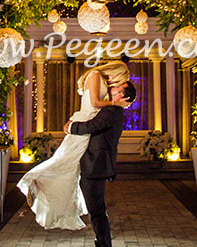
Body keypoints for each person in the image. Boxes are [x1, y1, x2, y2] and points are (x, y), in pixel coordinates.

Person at [17, 61, 131, 230]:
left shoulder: (102, 82)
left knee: (69, 165)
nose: (117, 83)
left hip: (88, 125)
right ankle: (35, 180)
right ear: (115, 71)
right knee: (63, 159)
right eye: (120, 79)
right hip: (84, 122)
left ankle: (45, 188)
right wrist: (116, 104)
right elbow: (94, 103)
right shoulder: (94, 75)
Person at [65, 80, 137, 247]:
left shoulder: (112, 111)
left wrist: (71, 127)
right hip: (94, 164)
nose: (112, 87)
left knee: (97, 212)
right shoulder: (112, 109)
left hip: (96, 166)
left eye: (116, 87)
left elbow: (91, 126)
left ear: (122, 95)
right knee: (97, 210)